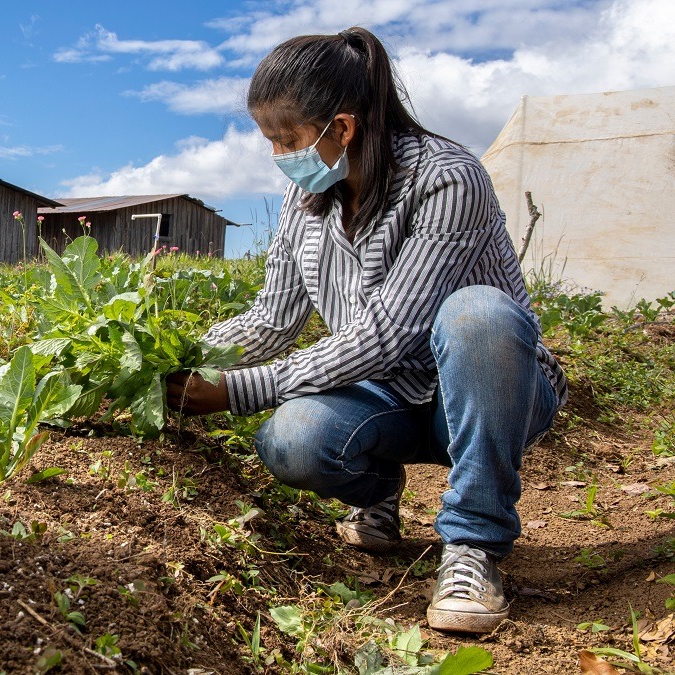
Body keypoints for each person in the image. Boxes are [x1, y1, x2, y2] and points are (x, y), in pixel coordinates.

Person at [165, 26, 566, 635]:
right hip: (392, 401)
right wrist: (184, 361)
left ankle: (474, 546)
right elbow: (273, 318)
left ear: (342, 128)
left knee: (478, 314)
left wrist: (238, 390)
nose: (279, 157)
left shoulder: (445, 180)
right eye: (269, 141)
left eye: (287, 139)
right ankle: (378, 490)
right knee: (292, 437)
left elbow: (389, 332)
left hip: (494, 389)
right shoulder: (306, 204)